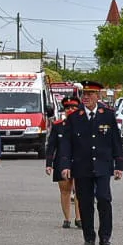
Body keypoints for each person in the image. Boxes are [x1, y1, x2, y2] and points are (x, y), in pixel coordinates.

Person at [59, 80, 123, 245]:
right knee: (85, 202)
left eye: (89, 94)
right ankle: (89, 237)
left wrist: (119, 165)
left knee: (103, 199)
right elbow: (66, 143)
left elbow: (115, 141)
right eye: (83, 94)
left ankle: (105, 237)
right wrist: (65, 165)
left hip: (103, 165)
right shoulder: (74, 117)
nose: (86, 97)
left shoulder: (107, 115)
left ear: (98, 96)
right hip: (82, 166)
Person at [45, 96, 81, 229]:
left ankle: (79, 218)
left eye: (73, 107)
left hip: (78, 162)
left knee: (79, 191)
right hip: (61, 161)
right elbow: (51, 146)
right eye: (67, 108)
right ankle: (67, 219)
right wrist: (49, 164)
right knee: (65, 190)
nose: (70, 110)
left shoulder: (83, 126)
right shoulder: (58, 126)